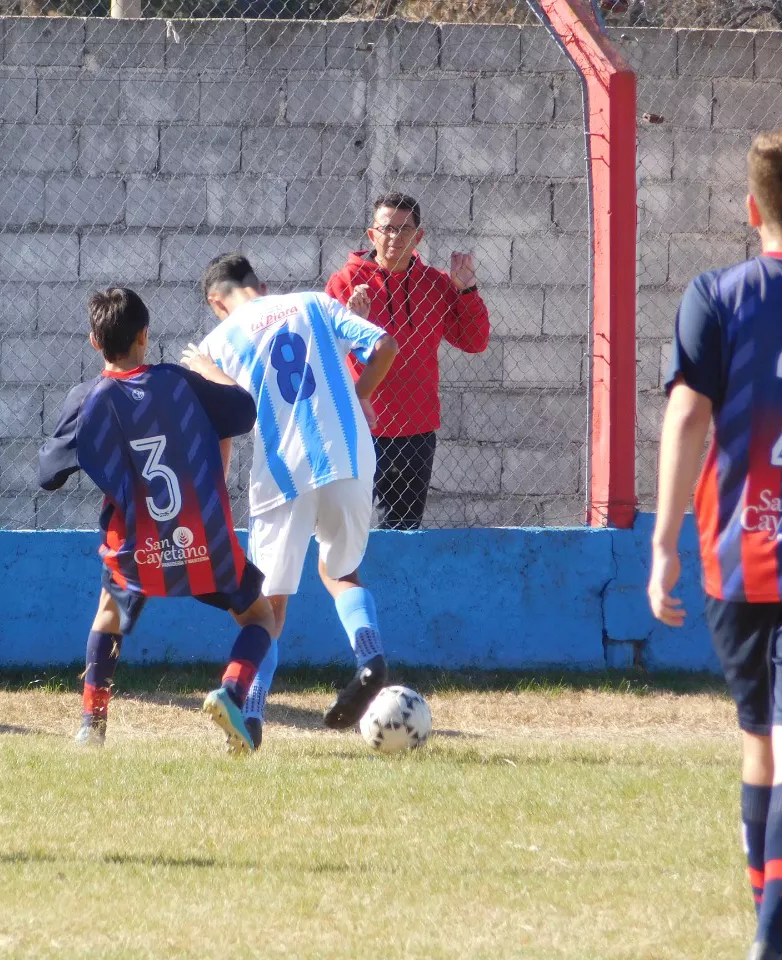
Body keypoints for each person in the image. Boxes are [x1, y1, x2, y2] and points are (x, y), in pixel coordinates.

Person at [649, 127, 782, 960]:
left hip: (736, 552)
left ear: (750, 207)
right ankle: (776, 931)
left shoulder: (714, 295)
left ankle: (772, 926)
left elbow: (687, 416)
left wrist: (662, 543)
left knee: (760, 733)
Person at [37, 287, 276, 753]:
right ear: (146, 335)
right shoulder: (179, 381)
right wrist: (209, 370)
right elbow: (243, 412)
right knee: (260, 618)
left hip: (136, 545)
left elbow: (48, 475)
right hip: (203, 538)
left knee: (108, 616)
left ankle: (92, 726)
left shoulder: (87, 399)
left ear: (93, 341)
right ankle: (230, 691)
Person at [185, 253, 398, 744]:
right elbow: (384, 344)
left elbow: (225, 428)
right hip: (348, 455)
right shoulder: (315, 302)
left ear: (217, 303)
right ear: (262, 284)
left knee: (268, 609)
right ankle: (370, 657)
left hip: (282, 475)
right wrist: (359, 394)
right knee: (341, 572)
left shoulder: (215, 346)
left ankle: (252, 716)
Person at [325, 193, 490, 530]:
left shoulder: (437, 284)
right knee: (343, 528)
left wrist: (467, 291)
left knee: (403, 531)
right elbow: (327, 354)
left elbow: (474, 342)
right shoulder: (346, 283)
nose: (395, 238)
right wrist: (357, 322)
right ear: (372, 235)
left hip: (417, 429)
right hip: (359, 427)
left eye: (404, 230)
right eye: (386, 229)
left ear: (419, 237)